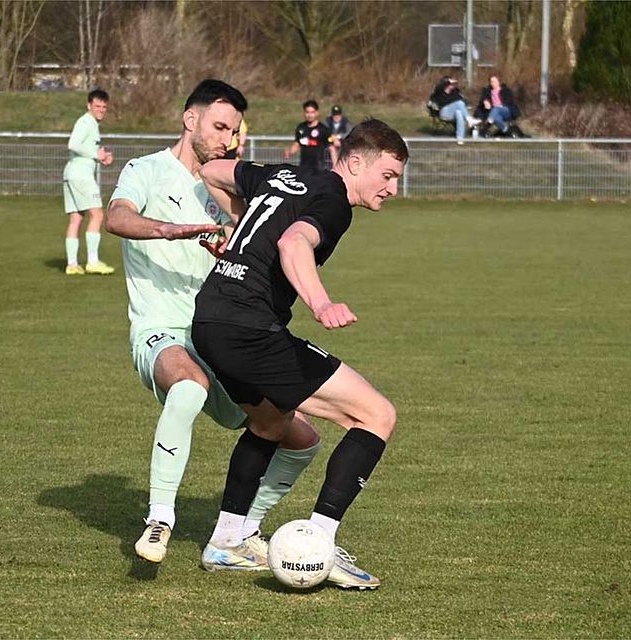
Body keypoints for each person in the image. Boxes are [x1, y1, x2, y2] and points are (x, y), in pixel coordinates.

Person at [105, 79, 321, 568]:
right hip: (161, 329)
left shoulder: (225, 186)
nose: (227, 139)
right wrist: (168, 230)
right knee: (188, 387)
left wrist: (228, 244)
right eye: (220, 127)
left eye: (234, 131)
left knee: (300, 438)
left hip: (218, 333)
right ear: (190, 119)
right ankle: (160, 519)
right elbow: (117, 218)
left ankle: (237, 535)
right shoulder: (146, 170)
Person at [192, 119, 409, 590]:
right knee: (376, 414)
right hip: (249, 329)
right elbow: (294, 242)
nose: (393, 188)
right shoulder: (333, 200)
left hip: (209, 320)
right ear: (355, 162)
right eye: (388, 175)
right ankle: (320, 544)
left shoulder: (282, 174)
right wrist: (321, 302)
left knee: (271, 422)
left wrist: (238, 226)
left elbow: (212, 172)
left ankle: (226, 542)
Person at [63, 89, 114, 275]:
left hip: (72, 172)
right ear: (89, 105)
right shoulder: (87, 122)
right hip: (81, 175)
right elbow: (73, 144)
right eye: (97, 106)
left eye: (104, 107)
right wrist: (95, 154)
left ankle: (72, 265)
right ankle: (92, 261)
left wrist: (101, 157)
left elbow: (83, 149)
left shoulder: (89, 123)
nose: (101, 110)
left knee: (76, 218)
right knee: (97, 215)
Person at [285, 99, 339, 171]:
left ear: (317, 113)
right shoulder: (301, 128)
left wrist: (336, 167)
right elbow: (297, 144)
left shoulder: (323, 129)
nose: (309, 115)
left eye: (312, 112)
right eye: (307, 112)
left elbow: (332, 149)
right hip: (303, 167)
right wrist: (290, 152)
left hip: (318, 168)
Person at [428, 76, 481, 143]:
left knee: (459, 113)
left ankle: (460, 138)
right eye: (451, 84)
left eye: (453, 84)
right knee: (459, 103)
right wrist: (448, 81)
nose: (452, 85)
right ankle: (469, 119)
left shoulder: (455, 92)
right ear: (446, 84)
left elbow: (463, 100)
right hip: (443, 112)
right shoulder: (439, 92)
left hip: (452, 113)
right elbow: (439, 87)